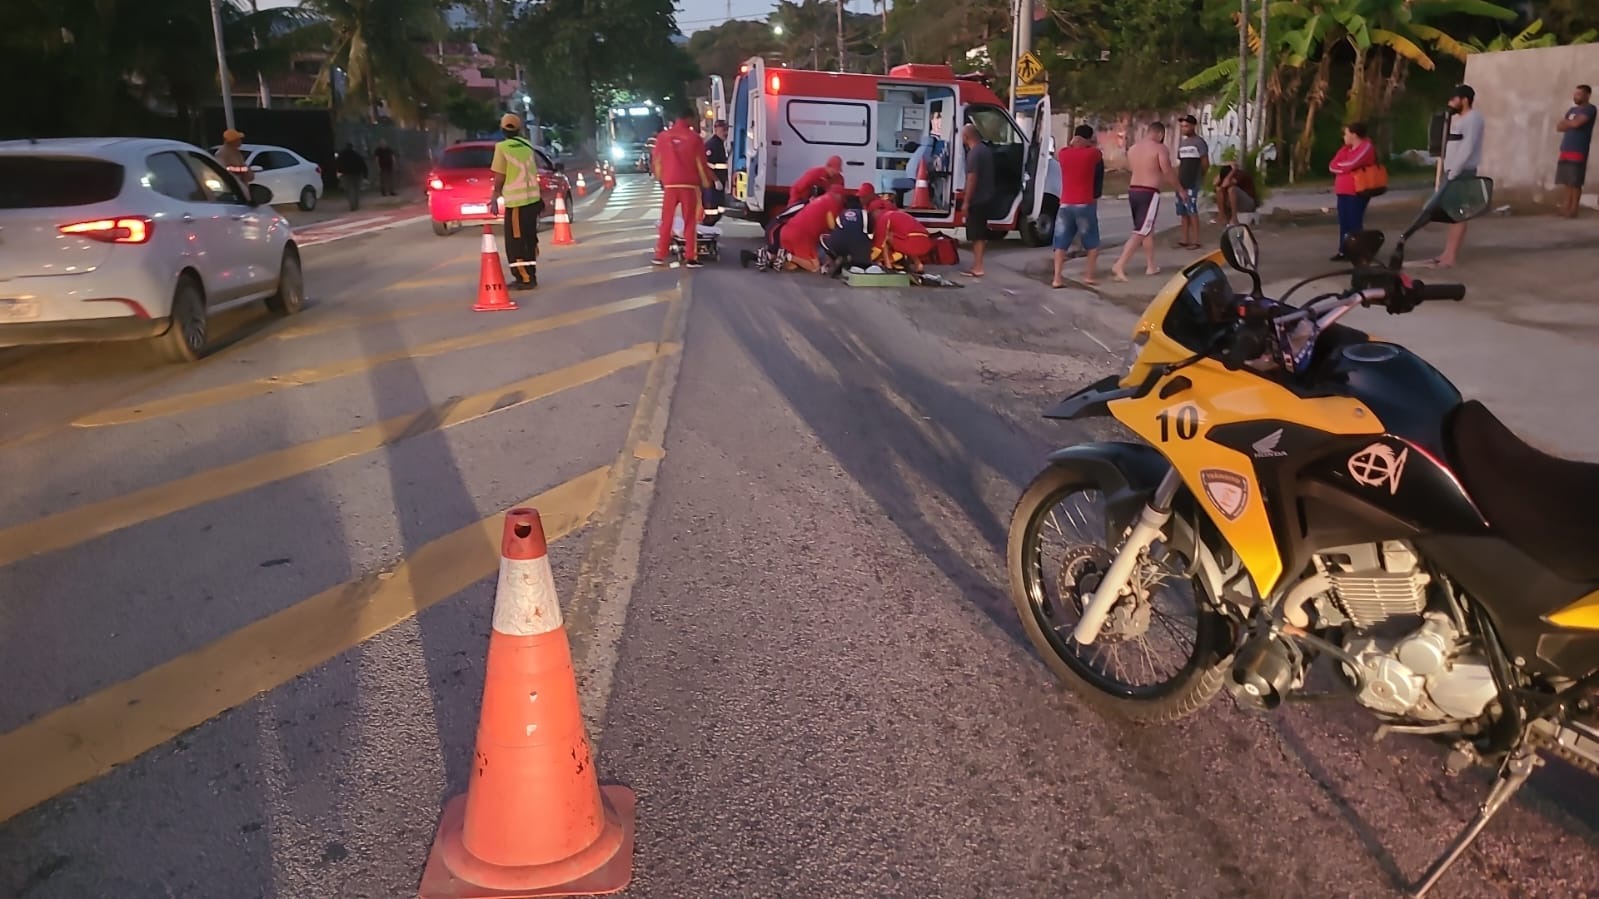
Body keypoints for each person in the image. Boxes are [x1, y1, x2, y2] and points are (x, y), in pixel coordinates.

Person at [1111, 121, 1178, 282]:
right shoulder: (1160, 149)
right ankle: (1119, 265)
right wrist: (1180, 189)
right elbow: (1167, 171)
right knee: (1141, 230)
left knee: (1147, 229)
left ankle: (1151, 265)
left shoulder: (1133, 149)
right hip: (1149, 192)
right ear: (1161, 134)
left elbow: (1135, 169)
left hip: (1133, 190)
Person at [1425, 84, 1483, 268]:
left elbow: (1468, 148)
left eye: (1454, 99)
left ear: (1464, 100)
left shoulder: (1473, 119)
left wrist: (1455, 171)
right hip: (1452, 171)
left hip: (1462, 172)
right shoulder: (1459, 120)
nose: (1450, 102)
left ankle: (1451, 256)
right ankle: (1446, 252)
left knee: (1459, 214)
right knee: (1452, 214)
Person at [650, 108, 715, 268]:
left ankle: (660, 255)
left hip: (670, 184)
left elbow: (657, 161)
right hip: (689, 184)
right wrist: (707, 183)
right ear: (689, 119)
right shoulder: (694, 138)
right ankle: (690, 257)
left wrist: (661, 179)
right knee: (690, 221)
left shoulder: (663, 137)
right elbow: (701, 163)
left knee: (667, 221)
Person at [488, 113, 545, 290]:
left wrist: (495, 196)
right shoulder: (527, 145)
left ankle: (525, 278)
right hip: (533, 200)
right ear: (519, 129)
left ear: (502, 129)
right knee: (529, 240)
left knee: (516, 243)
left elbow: (500, 176)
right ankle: (530, 274)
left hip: (517, 204)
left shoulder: (502, 147)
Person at [1052, 123, 1105, 287]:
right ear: (1089, 139)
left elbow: (1065, 148)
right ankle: (1088, 276)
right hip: (1084, 203)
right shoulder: (1093, 154)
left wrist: (1073, 142)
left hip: (1065, 204)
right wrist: (1090, 143)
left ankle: (1057, 278)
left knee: (1060, 243)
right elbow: (1096, 150)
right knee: (1092, 243)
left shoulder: (1064, 154)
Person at [1328, 122, 1378, 261]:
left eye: (1346, 133)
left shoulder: (1366, 147)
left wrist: (1342, 167)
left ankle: (1358, 251)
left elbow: (1351, 164)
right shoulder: (1345, 149)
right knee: (1344, 221)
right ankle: (1344, 250)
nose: (1344, 136)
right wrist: (1343, 168)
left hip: (1357, 191)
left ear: (1354, 134)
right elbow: (1332, 165)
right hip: (1343, 190)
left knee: (1354, 221)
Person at [778, 187, 846, 272]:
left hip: (787, 232)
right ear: (839, 197)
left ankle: (774, 256)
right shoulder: (832, 204)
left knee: (793, 266)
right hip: (801, 236)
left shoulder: (821, 200)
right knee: (814, 266)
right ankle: (787, 256)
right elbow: (832, 227)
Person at [960, 123, 996, 277]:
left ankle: (978, 267)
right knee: (979, 233)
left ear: (966, 137)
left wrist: (966, 201)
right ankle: (977, 265)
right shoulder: (985, 150)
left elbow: (972, 178)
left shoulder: (974, 153)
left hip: (978, 199)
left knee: (977, 235)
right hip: (987, 197)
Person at [1555, 84, 1595, 218]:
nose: (1575, 96)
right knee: (1566, 181)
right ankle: (1566, 207)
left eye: (1579, 94)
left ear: (1587, 95)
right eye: (1575, 93)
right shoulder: (1572, 110)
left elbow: (1576, 124)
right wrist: (1570, 123)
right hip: (1566, 148)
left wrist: (1569, 123)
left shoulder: (1590, 109)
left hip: (1579, 149)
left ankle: (1573, 209)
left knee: (1575, 181)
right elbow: (1559, 127)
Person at [820, 184, 875, 276]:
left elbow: (835, 229)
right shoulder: (865, 214)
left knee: (840, 240)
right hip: (857, 248)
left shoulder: (842, 213)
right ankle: (850, 262)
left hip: (836, 245)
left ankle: (838, 259)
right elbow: (870, 233)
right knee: (862, 264)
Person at [868, 196, 933, 274]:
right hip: (925, 242)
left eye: (871, 214)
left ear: (876, 211)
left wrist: (867, 260)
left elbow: (878, 246)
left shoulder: (883, 218)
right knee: (903, 236)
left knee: (885, 237)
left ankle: (888, 266)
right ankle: (918, 265)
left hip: (911, 243)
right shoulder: (897, 214)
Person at [1174, 114, 1209, 250]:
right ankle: (1184, 239)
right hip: (1181, 182)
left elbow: (1205, 162)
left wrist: (1201, 177)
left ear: (1193, 126)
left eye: (1186, 126)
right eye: (1182, 126)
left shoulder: (1199, 142)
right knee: (1183, 211)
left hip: (1193, 181)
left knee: (1192, 210)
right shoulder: (1182, 144)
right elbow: (1180, 163)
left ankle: (1196, 240)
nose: (1184, 129)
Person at [704, 119, 731, 217]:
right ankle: (705, 227)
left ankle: (709, 226)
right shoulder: (712, 145)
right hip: (712, 184)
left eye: (727, 130)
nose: (726, 133)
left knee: (718, 211)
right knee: (711, 211)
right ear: (716, 129)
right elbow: (706, 165)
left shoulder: (720, 144)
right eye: (723, 130)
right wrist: (716, 180)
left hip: (719, 183)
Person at [335, 143, 367, 211]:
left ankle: (352, 204)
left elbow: (337, 164)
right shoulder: (357, 155)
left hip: (346, 174)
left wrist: (339, 171)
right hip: (357, 174)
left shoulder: (341, 155)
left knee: (349, 190)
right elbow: (363, 164)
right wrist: (365, 175)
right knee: (356, 190)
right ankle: (356, 204)